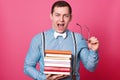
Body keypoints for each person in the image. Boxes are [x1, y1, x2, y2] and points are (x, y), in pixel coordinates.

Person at [24, 0, 99, 80]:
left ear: (70, 17)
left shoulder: (78, 39)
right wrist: (43, 78)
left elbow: (91, 67)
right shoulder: (38, 39)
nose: (61, 19)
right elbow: (27, 67)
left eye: (65, 16)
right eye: (57, 15)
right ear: (51, 16)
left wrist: (93, 51)